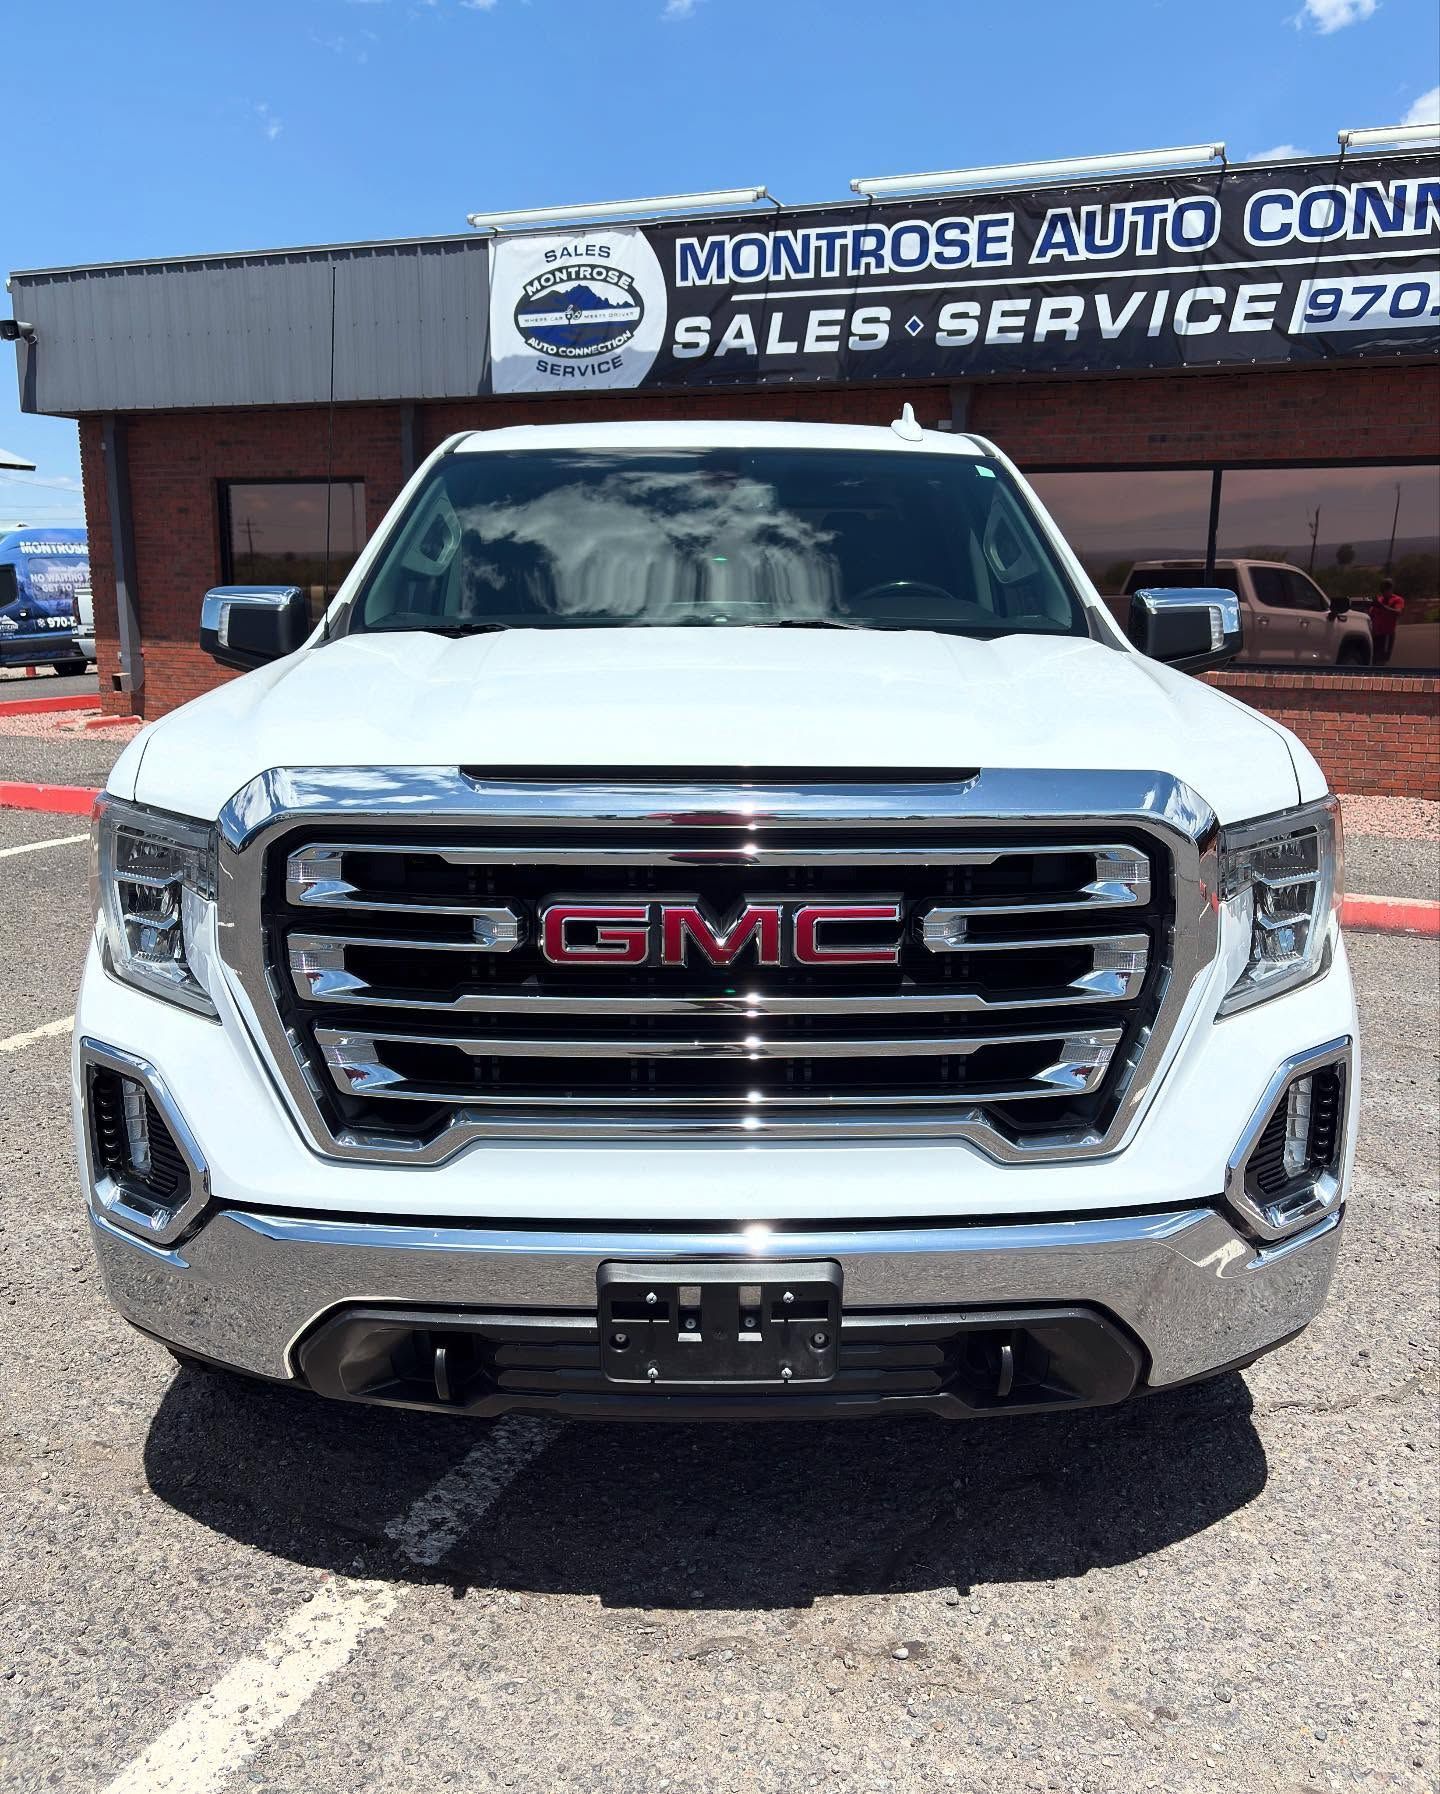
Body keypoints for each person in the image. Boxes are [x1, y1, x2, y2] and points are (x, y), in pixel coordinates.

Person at [1370, 576, 1405, 666]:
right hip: (1375, 634)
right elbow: (1372, 614)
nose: (1385, 590)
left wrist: (1383, 607)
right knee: (1373, 659)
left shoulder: (1397, 600)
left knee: (1381, 660)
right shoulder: (1379, 599)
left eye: (1388, 587)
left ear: (1391, 588)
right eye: (1384, 588)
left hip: (1387, 634)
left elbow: (1398, 612)